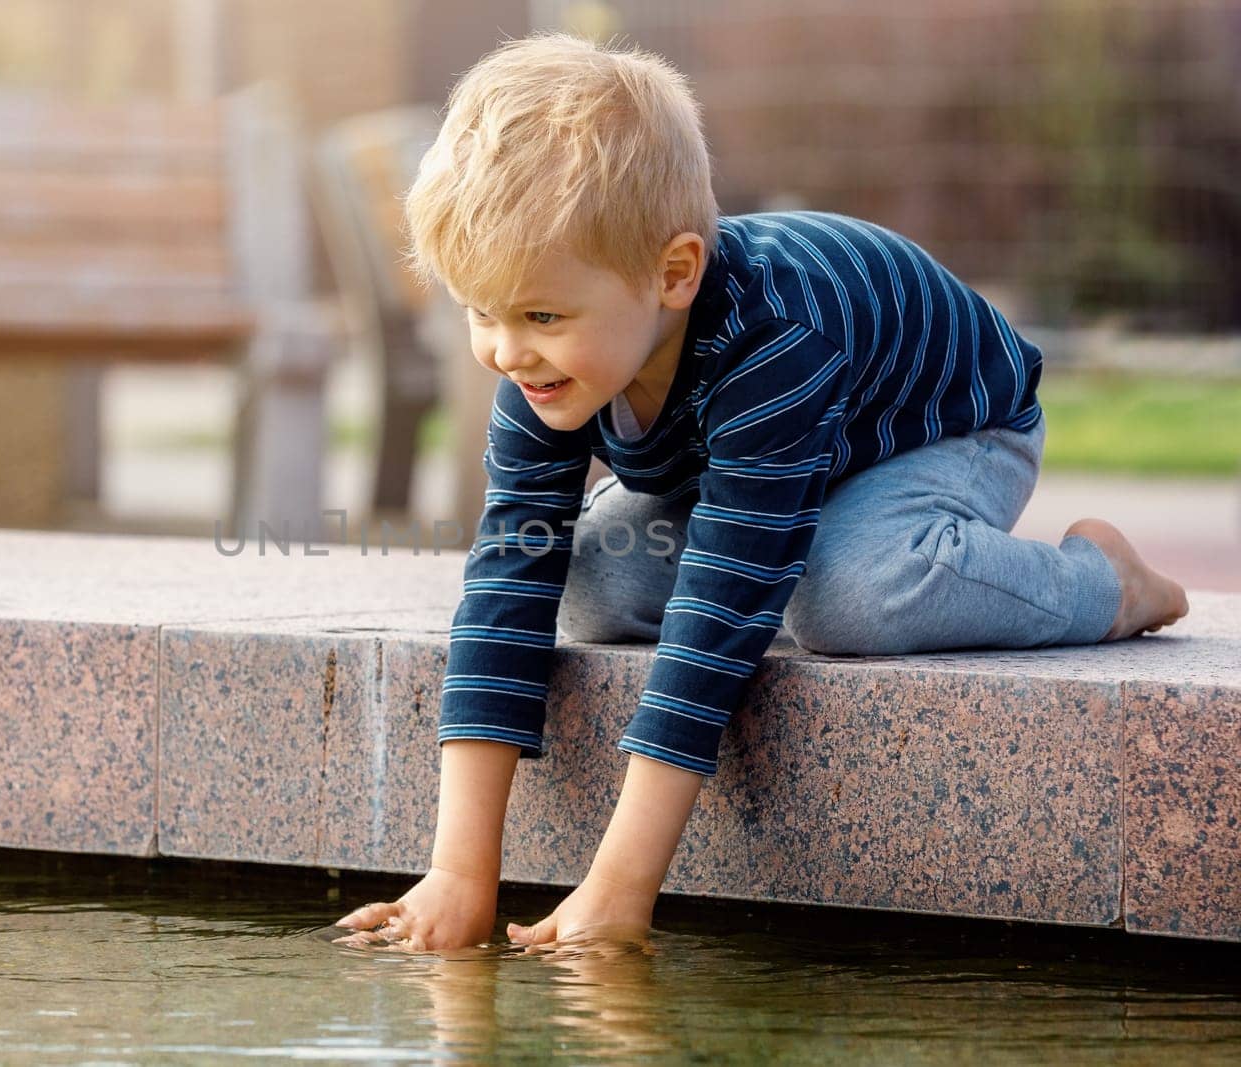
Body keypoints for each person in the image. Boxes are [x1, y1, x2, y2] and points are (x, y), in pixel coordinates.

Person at [333, 32, 1188, 954]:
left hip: (942, 431)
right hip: (752, 461)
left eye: (540, 315)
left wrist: (619, 887)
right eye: (480, 312)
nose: (506, 350)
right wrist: (461, 875)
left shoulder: (777, 336)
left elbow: (719, 611)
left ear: (673, 274)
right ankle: (782, 528)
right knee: (585, 579)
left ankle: (1104, 580)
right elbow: (510, 576)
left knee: (844, 594)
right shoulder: (540, 363)